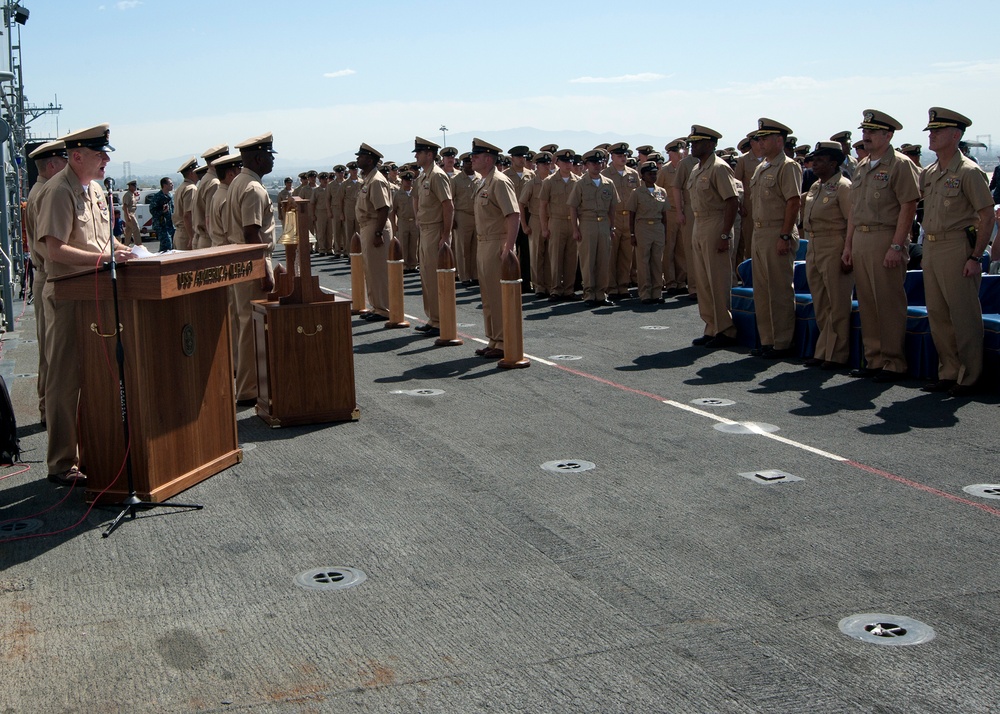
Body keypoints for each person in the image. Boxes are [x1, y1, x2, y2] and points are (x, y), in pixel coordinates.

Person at [33, 124, 137, 486]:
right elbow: (54, 249)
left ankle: (94, 446)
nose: (107, 159)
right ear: (76, 156)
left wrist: (124, 250)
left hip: (94, 294)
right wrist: (103, 261)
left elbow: (102, 238)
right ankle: (61, 462)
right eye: (99, 154)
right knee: (65, 379)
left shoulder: (92, 189)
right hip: (66, 298)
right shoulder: (57, 191)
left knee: (95, 373)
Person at [918, 107, 996, 396]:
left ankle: (969, 375)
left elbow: (986, 217)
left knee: (963, 316)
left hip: (957, 247)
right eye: (931, 131)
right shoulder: (930, 172)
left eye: (937, 131)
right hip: (933, 245)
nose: (932, 135)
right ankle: (949, 372)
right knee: (938, 315)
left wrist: (976, 256)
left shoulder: (968, 172)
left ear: (955, 135)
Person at [842, 109, 920, 382]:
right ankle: (873, 357)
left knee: (888, 302)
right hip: (862, 237)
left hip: (885, 236)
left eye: (872, 132)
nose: (866, 136)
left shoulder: (899, 164)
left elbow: (908, 205)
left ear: (888, 135)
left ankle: (893, 362)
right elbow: (855, 210)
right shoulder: (862, 166)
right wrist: (848, 244)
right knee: (867, 301)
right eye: (864, 131)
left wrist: (897, 246)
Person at [226, 132, 278, 406]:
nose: (272, 160)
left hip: (241, 259)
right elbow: (251, 232)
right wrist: (264, 270)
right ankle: (248, 388)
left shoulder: (238, 182)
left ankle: (249, 384)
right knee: (251, 326)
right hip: (252, 259)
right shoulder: (254, 188)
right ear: (258, 157)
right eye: (269, 155)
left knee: (246, 322)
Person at [748, 118, 803, 359]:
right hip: (760, 232)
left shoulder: (787, 166)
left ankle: (782, 341)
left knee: (779, 289)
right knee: (762, 290)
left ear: (779, 141)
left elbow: (793, 201)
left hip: (776, 231)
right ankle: (768, 339)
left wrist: (784, 234)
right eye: (758, 139)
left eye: (764, 138)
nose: (760, 143)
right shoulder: (763, 167)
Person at [24, 139, 68, 427]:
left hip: (44, 275)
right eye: (63, 160)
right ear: (52, 164)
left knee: (48, 352)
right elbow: (47, 246)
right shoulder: (45, 194)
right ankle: (47, 411)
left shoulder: (38, 191)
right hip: (49, 274)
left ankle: (45, 409)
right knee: (52, 355)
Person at [685, 126, 740, 347]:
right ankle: (711, 326)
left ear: (710, 144)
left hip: (716, 223)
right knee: (704, 281)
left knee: (718, 280)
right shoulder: (697, 169)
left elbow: (732, 201)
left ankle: (725, 329)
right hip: (699, 223)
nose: (692, 146)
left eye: (697, 142)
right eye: (692, 142)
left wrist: (725, 234)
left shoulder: (719, 168)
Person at [801, 142, 854, 369]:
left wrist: (848, 250)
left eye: (820, 160)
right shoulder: (816, 186)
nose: (814, 164)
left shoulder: (843, 187)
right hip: (814, 243)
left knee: (837, 302)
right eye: (814, 159)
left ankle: (836, 353)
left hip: (834, 243)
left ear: (833, 163)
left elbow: (851, 220)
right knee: (821, 301)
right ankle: (824, 349)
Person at [469, 138, 520, 358]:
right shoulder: (483, 181)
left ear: (488, 159)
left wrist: (508, 247)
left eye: (476, 156)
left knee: (499, 297)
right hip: (484, 243)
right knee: (488, 296)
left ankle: (503, 340)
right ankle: (493, 339)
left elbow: (513, 214)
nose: (472, 159)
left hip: (497, 243)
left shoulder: (499, 181)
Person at [412, 136, 454, 336]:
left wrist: (445, 235)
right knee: (427, 277)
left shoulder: (437, 175)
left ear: (429, 154)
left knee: (436, 277)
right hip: (425, 230)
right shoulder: (423, 177)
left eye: (419, 153)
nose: (417, 156)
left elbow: (448, 206)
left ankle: (440, 320)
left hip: (436, 230)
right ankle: (433, 318)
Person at [568, 149, 620, 307]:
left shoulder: (608, 183)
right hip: (587, 223)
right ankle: (589, 293)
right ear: (587, 165)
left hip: (604, 223)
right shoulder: (581, 184)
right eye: (593, 163)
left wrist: (611, 226)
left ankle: (601, 293)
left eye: (599, 163)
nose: (597, 166)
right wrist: (575, 229)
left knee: (603, 259)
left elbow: (612, 207)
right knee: (588, 259)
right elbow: (573, 207)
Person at [354, 143, 392, 321]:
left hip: (375, 226)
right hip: (368, 226)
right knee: (370, 269)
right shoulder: (368, 179)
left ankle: (383, 308)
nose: (357, 159)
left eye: (360, 157)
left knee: (378, 270)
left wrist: (377, 233)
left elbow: (383, 209)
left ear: (369, 160)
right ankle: (376, 306)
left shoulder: (376, 180)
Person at [539, 148, 581, 301]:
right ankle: (555, 289)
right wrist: (544, 227)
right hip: (556, 221)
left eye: (570, 162)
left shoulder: (578, 181)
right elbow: (543, 206)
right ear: (557, 163)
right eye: (564, 161)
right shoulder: (549, 182)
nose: (568, 164)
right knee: (555, 257)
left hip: (573, 223)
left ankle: (569, 289)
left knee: (571, 258)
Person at [626, 161, 669, 304]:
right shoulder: (637, 193)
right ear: (642, 176)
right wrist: (632, 234)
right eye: (649, 174)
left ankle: (657, 292)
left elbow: (664, 215)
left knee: (657, 261)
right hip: (642, 227)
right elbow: (631, 214)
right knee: (643, 262)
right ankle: (645, 293)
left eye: (655, 173)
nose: (653, 176)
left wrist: (665, 233)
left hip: (657, 227)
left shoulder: (661, 191)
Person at [602, 142, 640, 301]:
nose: (623, 158)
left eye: (625, 156)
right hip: (613, 216)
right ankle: (611, 287)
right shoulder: (605, 174)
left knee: (626, 254)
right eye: (619, 156)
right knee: (611, 254)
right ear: (612, 157)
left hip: (628, 217)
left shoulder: (633, 174)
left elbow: (638, 196)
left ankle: (623, 286)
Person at [518, 151, 553, 298]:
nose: (547, 166)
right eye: (544, 164)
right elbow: (521, 203)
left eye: (548, 163)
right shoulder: (531, 183)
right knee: (537, 254)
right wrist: (524, 225)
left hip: (553, 219)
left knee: (551, 254)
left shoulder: (553, 181)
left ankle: (550, 284)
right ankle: (539, 286)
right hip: (536, 220)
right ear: (537, 166)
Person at [504, 146, 535, 292]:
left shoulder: (531, 175)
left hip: (527, 215)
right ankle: (509, 279)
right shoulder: (505, 175)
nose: (522, 159)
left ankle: (526, 282)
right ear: (512, 158)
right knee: (510, 249)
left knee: (527, 251)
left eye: (524, 157)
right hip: (510, 215)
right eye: (518, 157)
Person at [451, 153, 480, 286]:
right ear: (463, 164)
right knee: (463, 247)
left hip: (477, 215)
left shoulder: (479, 178)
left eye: (471, 162)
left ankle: (475, 275)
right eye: (467, 162)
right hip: (462, 215)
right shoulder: (456, 180)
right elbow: (450, 200)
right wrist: (452, 218)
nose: (470, 164)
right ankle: (464, 276)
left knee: (476, 247)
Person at [193, 143, 228, 249]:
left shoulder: (206, 179)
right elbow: (209, 219)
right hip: (208, 240)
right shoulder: (214, 183)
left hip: (203, 238)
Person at [208, 153, 242, 247]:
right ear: (230, 174)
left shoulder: (219, 194)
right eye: (239, 169)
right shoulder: (227, 198)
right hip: (226, 251)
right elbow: (232, 234)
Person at [391, 170, 419, 271]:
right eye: (406, 180)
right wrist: (394, 224)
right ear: (402, 181)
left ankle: (413, 264)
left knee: (414, 244)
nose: (408, 182)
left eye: (410, 180)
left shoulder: (415, 193)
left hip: (414, 221)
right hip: (403, 221)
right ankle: (404, 265)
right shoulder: (398, 194)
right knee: (403, 244)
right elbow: (393, 210)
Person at [172, 157, 199, 250]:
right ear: (192, 173)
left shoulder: (181, 187)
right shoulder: (191, 188)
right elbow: (187, 215)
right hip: (186, 234)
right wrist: (192, 237)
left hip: (180, 233)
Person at [148, 176, 174, 250]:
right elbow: (152, 210)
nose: (172, 185)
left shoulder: (170, 196)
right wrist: (162, 211)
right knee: (166, 245)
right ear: (165, 185)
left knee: (172, 246)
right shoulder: (158, 197)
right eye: (170, 184)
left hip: (170, 225)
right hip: (161, 225)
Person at [312, 171, 333, 255]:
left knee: (330, 232)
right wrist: (313, 214)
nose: (325, 180)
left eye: (326, 178)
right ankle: (322, 249)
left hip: (330, 211)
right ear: (319, 180)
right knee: (321, 231)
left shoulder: (330, 189)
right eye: (323, 179)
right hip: (320, 212)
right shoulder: (316, 191)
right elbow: (312, 203)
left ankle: (330, 248)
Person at [121, 178, 141, 245]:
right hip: (129, 213)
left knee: (128, 231)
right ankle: (138, 245)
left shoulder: (132, 194)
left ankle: (126, 245)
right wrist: (128, 215)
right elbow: (125, 206)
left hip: (133, 212)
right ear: (130, 186)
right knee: (136, 229)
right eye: (134, 186)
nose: (135, 188)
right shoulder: (127, 195)